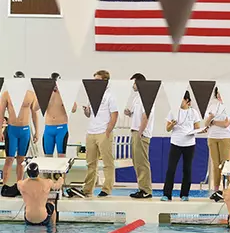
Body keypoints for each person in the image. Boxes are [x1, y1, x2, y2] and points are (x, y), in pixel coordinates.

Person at [0, 75, 40, 197]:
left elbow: (34, 114)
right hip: (12, 130)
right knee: (9, 159)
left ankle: (19, 186)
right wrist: (0, 130)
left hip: (25, 130)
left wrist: (37, 131)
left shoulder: (30, 95)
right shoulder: (6, 94)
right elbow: (1, 113)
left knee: (21, 160)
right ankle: (3, 186)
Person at [82, 70, 118, 198]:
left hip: (103, 132)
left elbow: (114, 115)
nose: (94, 83)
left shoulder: (110, 96)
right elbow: (89, 115)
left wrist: (108, 131)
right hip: (91, 132)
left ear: (105, 81)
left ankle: (106, 189)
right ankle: (88, 189)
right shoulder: (92, 95)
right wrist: (86, 111)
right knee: (90, 163)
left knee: (107, 162)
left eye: (97, 80)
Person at [162, 91, 201, 201]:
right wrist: (172, 124)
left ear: (187, 100)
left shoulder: (193, 112)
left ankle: (184, 194)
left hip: (189, 144)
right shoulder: (173, 111)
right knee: (171, 169)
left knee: (187, 169)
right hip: (176, 143)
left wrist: (200, 131)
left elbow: (197, 127)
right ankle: (167, 194)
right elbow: (167, 129)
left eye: (181, 99)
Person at [204, 86, 230, 202]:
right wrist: (210, 120)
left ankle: (227, 190)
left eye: (221, 93)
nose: (219, 95)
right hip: (212, 137)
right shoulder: (212, 106)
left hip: (225, 138)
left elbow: (226, 124)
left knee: (225, 165)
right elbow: (205, 123)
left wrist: (212, 121)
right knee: (215, 165)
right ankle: (216, 190)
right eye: (217, 93)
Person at [124, 73, 154, 199]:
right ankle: (141, 188)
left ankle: (146, 190)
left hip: (141, 133)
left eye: (134, 83)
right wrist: (129, 113)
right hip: (136, 131)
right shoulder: (138, 98)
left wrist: (141, 132)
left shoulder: (147, 97)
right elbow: (138, 115)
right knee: (137, 161)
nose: (133, 86)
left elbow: (146, 116)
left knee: (142, 162)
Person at [18, 162, 64, 227]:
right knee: (51, 205)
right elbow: (57, 186)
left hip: (28, 219)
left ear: (27, 172)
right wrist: (61, 178)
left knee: (27, 207)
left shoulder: (20, 184)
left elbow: (21, 180)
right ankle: (53, 228)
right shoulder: (47, 182)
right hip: (43, 219)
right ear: (38, 172)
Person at [43, 72, 77, 158]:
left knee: (61, 156)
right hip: (48, 128)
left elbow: (74, 109)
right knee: (47, 156)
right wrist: (44, 94)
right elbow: (35, 107)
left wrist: (65, 94)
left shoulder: (65, 94)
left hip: (61, 129)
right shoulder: (46, 94)